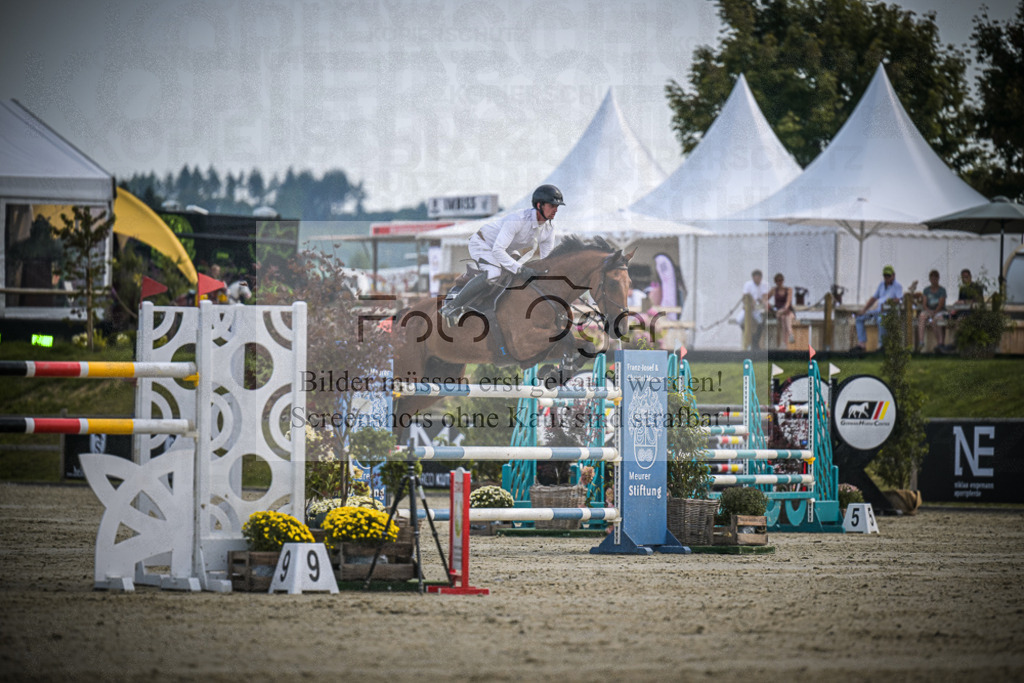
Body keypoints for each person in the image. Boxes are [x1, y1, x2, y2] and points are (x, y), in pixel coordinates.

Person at [440, 184, 564, 324]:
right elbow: (497, 250)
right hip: (483, 243)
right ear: (539, 205)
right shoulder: (518, 219)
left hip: (506, 248)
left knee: (517, 273)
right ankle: (452, 306)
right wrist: (521, 269)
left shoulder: (549, 229)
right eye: (552, 205)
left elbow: (547, 261)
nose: (556, 210)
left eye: (557, 206)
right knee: (494, 273)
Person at [853, 265, 903, 352]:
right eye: (885, 276)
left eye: (889, 276)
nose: (887, 278)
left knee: (881, 319)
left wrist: (889, 303)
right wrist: (864, 310)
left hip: (890, 312)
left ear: (893, 275)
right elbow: (874, 298)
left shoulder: (898, 286)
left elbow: (899, 300)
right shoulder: (881, 285)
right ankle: (862, 344)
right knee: (859, 318)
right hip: (878, 310)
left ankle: (882, 345)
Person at [733, 269, 770, 349]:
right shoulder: (748, 284)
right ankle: (747, 333)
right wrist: (751, 302)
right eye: (756, 278)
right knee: (739, 320)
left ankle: (755, 339)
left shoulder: (764, 284)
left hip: (758, 308)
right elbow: (745, 296)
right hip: (748, 308)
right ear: (753, 277)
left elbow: (764, 297)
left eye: (759, 278)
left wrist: (764, 304)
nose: (758, 280)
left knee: (762, 321)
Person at [916, 269, 947, 352]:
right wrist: (929, 311)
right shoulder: (926, 290)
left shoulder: (942, 290)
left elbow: (941, 304)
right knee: (922, 316)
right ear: (930, 279)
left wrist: (935, 312)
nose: (933, 280)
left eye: (935, 278)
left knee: (937, 320)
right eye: (932, 278)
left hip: (939, 311)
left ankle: (940, 343)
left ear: (938, 279)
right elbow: (924, 304)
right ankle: (921, 341)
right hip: (929, 310)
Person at [766, 272, 795, 347]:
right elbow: (765, 299)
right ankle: (790, 334)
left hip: (787, 311)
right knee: (783, 317)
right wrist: (768, 305)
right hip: (779, 311)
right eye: (778, 280)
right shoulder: (774, 290)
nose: (779, 282)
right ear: (775, 282)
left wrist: (785, 309)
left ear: (783, 281)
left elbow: (788, 301)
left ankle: (784, 342)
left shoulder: (788, 289)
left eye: (781, 280)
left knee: (785, 317)